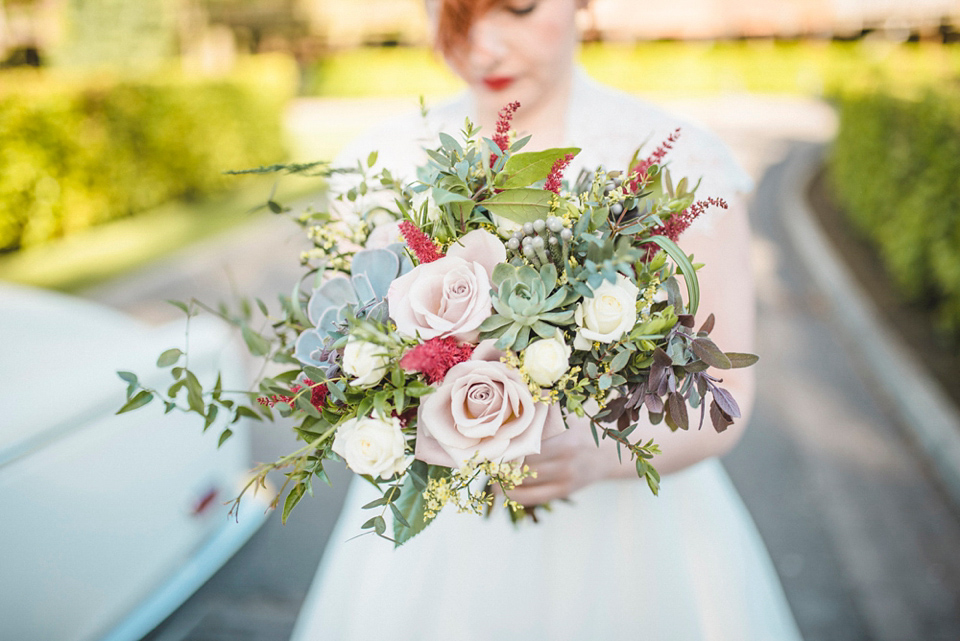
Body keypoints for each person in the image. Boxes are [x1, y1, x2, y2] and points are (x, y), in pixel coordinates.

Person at [290, 1, 803, 639]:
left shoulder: (684, 165)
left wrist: (597, 459)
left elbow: (729, 394)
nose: (483, 46)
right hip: (437, 538)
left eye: (519, 6)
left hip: (629, 539)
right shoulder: (381, 162)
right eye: (449, 10)